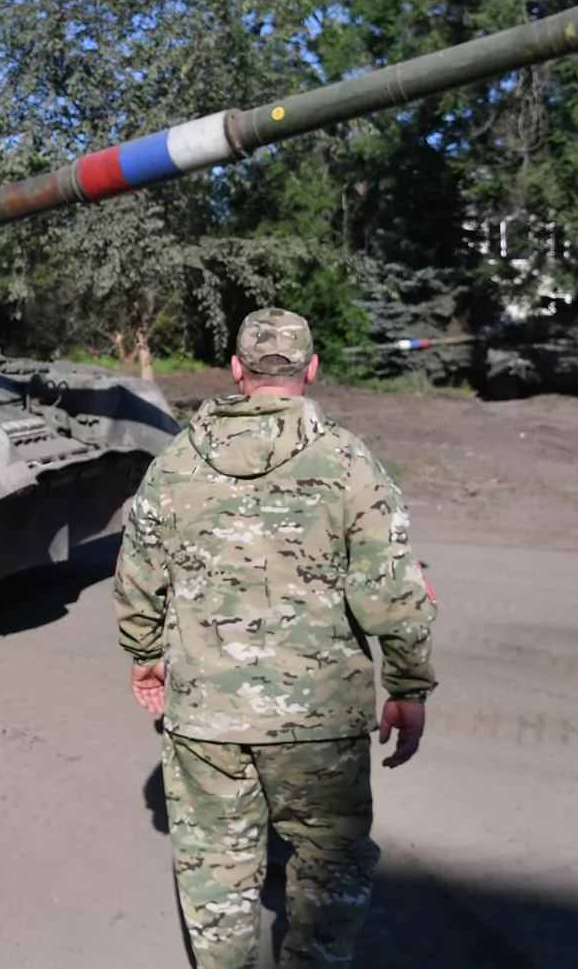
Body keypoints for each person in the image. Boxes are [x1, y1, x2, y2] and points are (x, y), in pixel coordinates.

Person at [114, 308, 437, 969]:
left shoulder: (176, 462)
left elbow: (137, 575)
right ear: (310, 369)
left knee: (216, 869)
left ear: (237, 370)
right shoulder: (350, 462)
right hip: (319, 719)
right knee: (328, 869)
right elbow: (392, 588)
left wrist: (145, 655)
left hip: (207, 717)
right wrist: (407, 684)